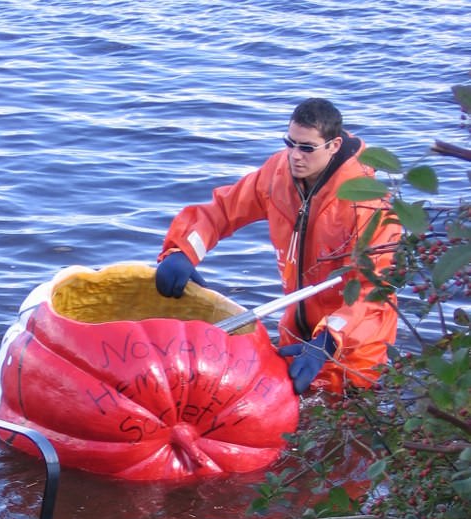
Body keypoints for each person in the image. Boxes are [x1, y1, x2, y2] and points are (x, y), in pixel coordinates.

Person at [155, 97, 401, 395]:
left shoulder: (367, 202)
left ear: (334, 145)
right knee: (287, 429)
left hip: (353, 345)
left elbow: (373, 292)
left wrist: (329, 340)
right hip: (296, 330)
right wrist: (182, 251)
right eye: (291, 143)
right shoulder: (279, 174)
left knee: (347, 427)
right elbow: (222, 211)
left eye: (307, 148)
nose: (295, 155)